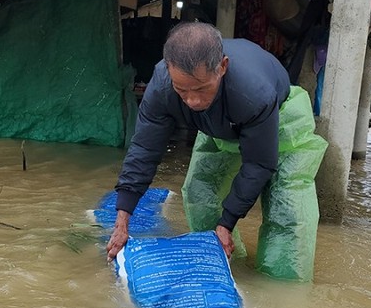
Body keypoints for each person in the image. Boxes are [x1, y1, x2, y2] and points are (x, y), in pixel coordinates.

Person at [107, 22, 326, 281]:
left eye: (200, 88)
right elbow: (144, 148)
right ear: (169, 71)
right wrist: (122, 221)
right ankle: (229, 261)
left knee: (286, 213)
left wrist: (227, 222)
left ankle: (282, 292)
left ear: (222, 67)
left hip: (278, 117)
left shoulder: (254, 94)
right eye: (182, 90)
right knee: (199, 194)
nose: (192, 101)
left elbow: (258, 164)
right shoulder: (163, 87)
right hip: (216, 124)